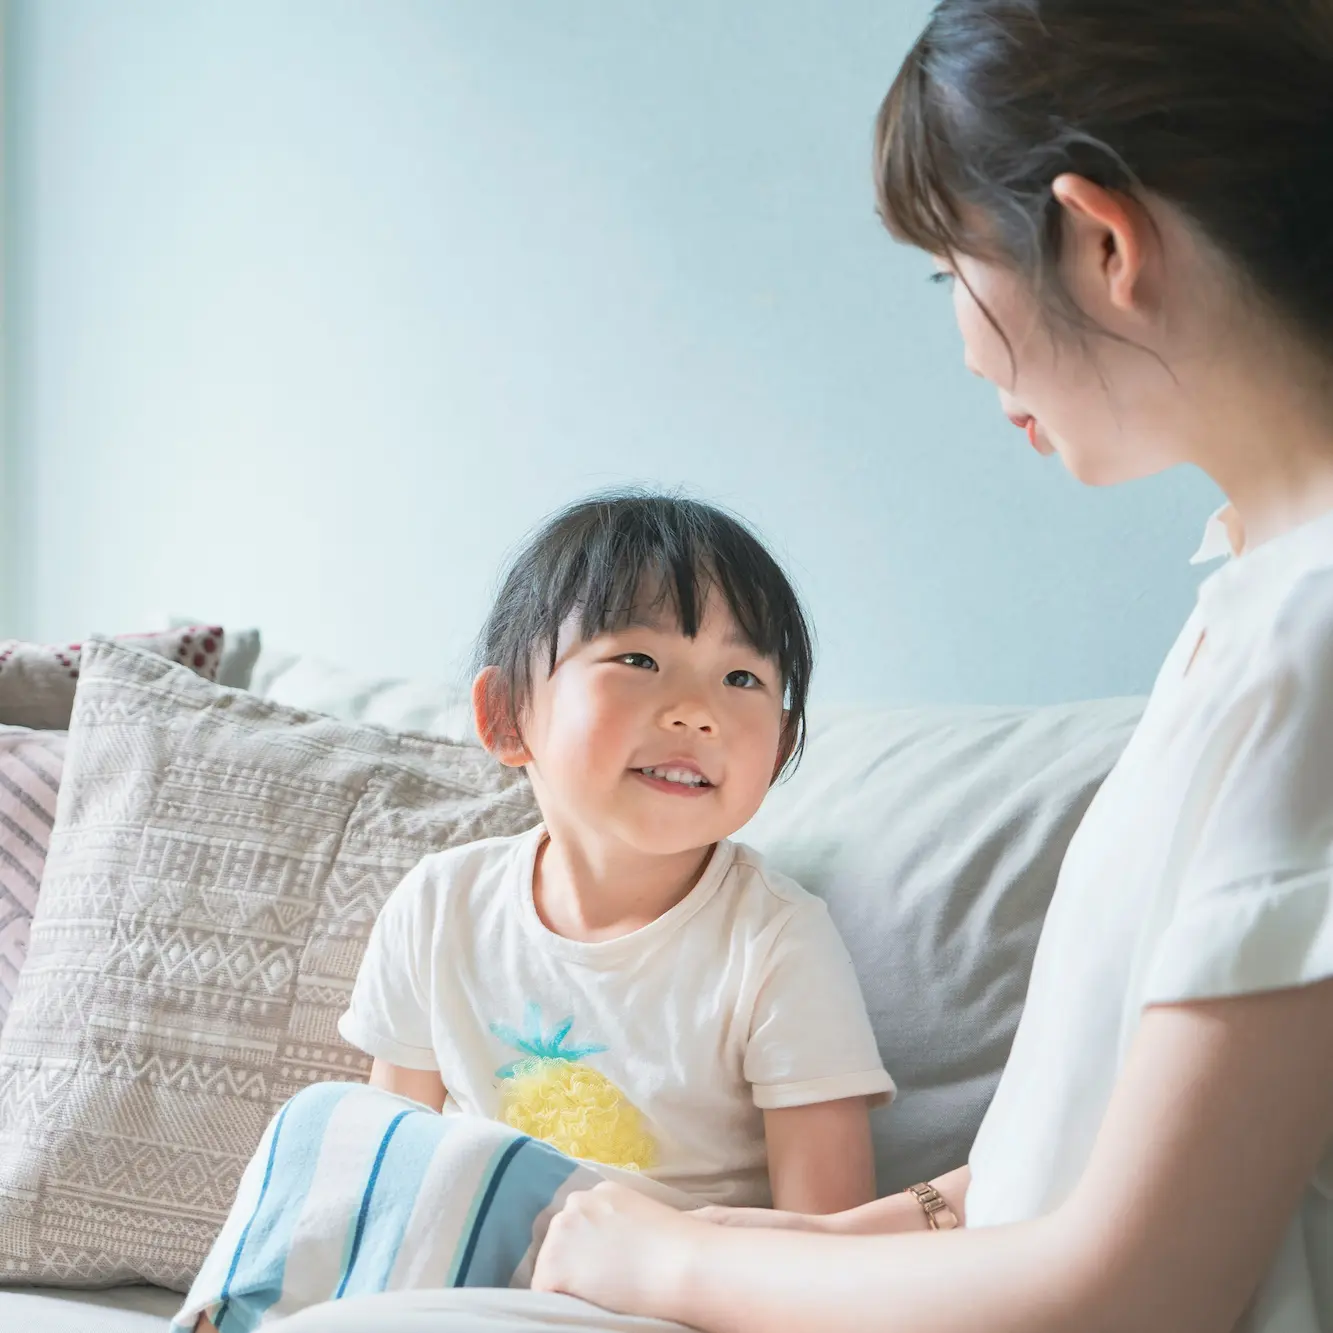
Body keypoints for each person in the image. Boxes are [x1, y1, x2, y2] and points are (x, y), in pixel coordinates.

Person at [530, 4, 1333, 1331]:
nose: (963, 340)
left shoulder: (1303, 644)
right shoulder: (1255, 605)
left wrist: (668, 1266)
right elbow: (1084, 1172)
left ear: (1103, 242)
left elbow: (1140, 1289)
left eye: (951, 269)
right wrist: (758, 1241)